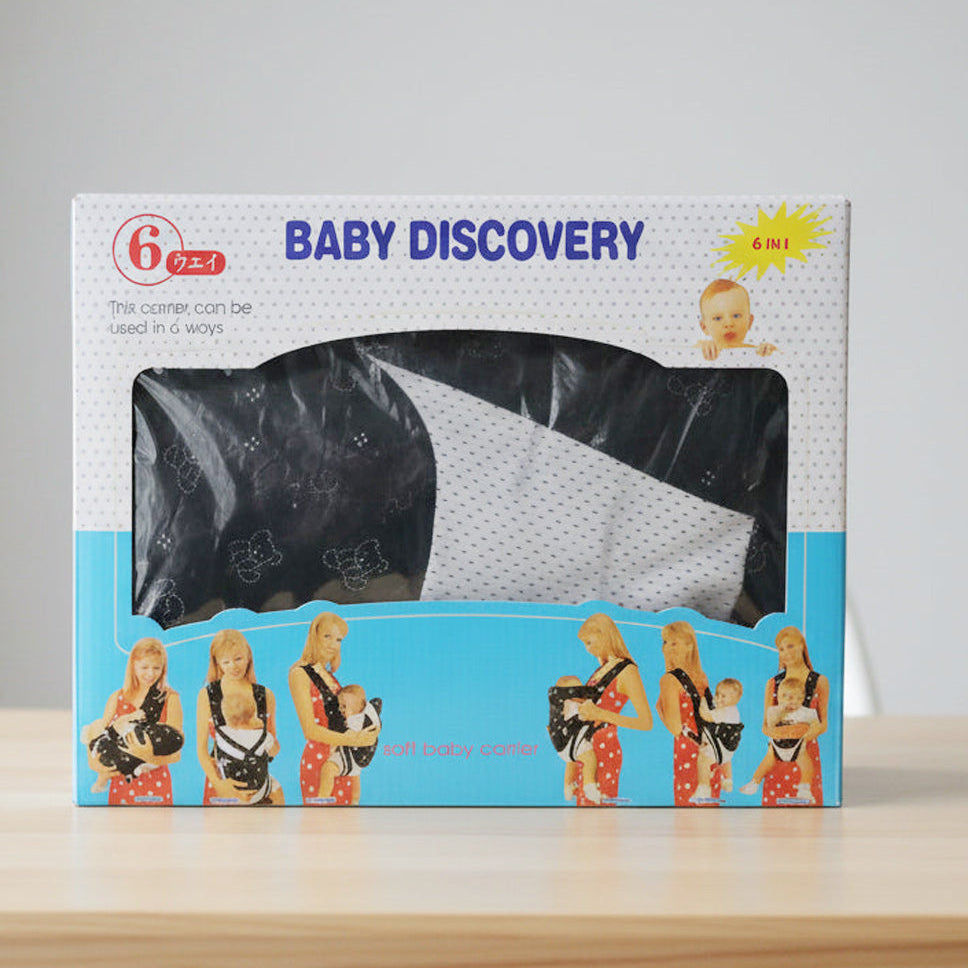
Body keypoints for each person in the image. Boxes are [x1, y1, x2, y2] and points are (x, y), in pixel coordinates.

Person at [288, 612, 380, 805]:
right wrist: (353, 739)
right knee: (321, 820)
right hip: (321, 762)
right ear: (315, 636)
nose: (333, 644)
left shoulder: (329, 676)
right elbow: (309, 730)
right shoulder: (300, 673)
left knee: (346, 819)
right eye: (327, 636)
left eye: (338, 640)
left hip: (343, 759)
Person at [80, 637, 183, 805]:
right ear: (133, 665)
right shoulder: (117, 697)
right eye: (144, 667)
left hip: (156, 783)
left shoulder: (170, 698)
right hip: (120, 783)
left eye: (156, 668)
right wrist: (98, 766)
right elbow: (97, 733)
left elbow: (176, 752)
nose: (150, 673)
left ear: (163, 668)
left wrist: (147, 755)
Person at [569, 613, 652, 806]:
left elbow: (646, 722)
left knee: (599, 809)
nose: (588, 649)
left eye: (589, 642)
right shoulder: (601, 670)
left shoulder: (627, 670)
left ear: (604, 634)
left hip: (605, 750)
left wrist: (600, 714)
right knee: (585, 809)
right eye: (585, 644)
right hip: (586, 747)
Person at [196, 629, 281, 805]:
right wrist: (219, 785)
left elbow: (274, 748)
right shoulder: (208, 695)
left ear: (248, 656)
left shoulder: (265, 695)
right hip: (223, 781)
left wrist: (263, 738)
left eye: (238, 659)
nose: (233, 666)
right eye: (226, 662)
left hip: (260, 783)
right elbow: (202, 750)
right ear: (217, 663)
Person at [757, 625, 829, 805]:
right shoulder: (773, 683)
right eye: (781, 649)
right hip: (777, 755)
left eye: (790, 646)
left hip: (806, 754)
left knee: (808, 809)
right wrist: (784, 734)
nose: (786, 652)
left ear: (802, 646)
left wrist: (802, 736)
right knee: (774, 810)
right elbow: (765, 726)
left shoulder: (819, 681)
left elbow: (823, 724)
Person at [655, 620, 719, 805]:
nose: (667, 648)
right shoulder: (701, 676)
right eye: (665, 642)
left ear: (690, 646)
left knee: (687, 807)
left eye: (674, 643)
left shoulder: (669, 680)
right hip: (711, 749)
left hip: (688, 750)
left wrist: (660, 711)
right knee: (710, 806)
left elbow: (675, 729)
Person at [740, 677, 817, 802]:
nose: (792, 703)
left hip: (798, 748)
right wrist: (781, 712)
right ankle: (754, 783)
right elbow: (770, 725)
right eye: (787, 698)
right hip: (776, 748)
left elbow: (815, 725)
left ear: (802, 699)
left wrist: (806, 728)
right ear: (779, 698)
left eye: (797, 699)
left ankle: (804, 789)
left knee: (806, 765)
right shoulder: (774, 711)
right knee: (767, 762)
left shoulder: (807, 713)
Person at [212, 691, 283, 805]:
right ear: (254, 714)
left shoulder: (220, 734)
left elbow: (217, 755)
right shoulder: (263, 735)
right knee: (276, 788)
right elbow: (275, 750)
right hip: (258, 791)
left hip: (231, 790)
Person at [317, 683, 383, 805]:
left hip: (349, 755)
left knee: (327, 770)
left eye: (344, 706)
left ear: (359, 707)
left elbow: (343, 737)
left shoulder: (355, 721)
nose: (340, 710)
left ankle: (322, 799)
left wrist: (333, 748)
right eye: (339, 706)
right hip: (357, 757)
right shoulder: (367, 716)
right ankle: (354, 802)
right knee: (355, 780)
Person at [547, 674, 606, 804]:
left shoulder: (558, 709)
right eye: (578, 690)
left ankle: (568, 787)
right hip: (572, 743)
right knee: (590, 759)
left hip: (562, 745)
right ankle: (589, 786)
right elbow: (585, 716)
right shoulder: (574, 705)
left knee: (571, 762)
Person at [695, 279, 778, 360]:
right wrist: (701, 348)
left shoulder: (754, 352)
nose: (729, 324)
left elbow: (779, 359)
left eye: (736, 316)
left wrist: (767, 350)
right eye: (718, 318)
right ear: (704, 327)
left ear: (749, 321)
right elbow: (690, 354)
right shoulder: (704, 350)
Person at [691, 677, 744, 803]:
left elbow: (706, 716)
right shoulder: (734, 711)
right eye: (717, 694)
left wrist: (703, 702)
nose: (719, 698)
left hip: (718, 749)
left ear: (735, 699)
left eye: (723, 696)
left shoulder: (725, 712)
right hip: (728, 749)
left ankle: (704, 788)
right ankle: (728, 781)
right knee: (726, 760)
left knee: (703, 761)